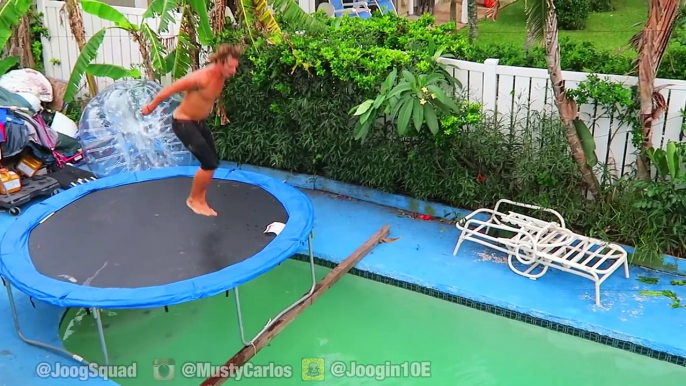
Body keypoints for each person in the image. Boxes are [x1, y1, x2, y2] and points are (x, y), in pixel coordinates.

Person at [141, 44, 242, 217]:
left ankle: (201, 200)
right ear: (219, 63)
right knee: (208, 163)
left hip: (198, 122)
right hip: (183, 123)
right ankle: (194, 200)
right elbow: (168, 90)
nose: (234, 71)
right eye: (230, 67)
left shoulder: (221, 75)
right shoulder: (200, 78)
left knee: (213, 163)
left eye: (235, 67)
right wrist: (150, 107)